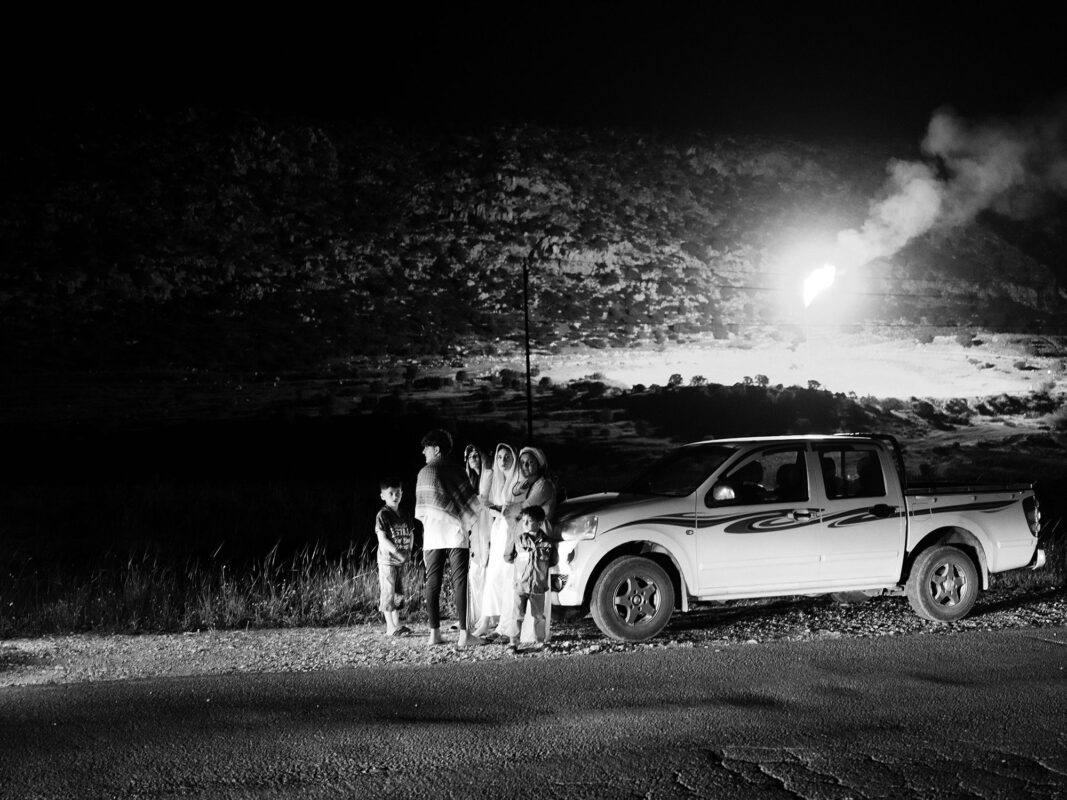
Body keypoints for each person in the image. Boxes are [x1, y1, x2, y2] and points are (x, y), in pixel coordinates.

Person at [414, 429, 484, 648]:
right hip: (456, 531)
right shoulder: (456, 471)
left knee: (432, 581)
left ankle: (434, 634)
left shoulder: (424, 473)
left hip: (433, 534)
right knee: (460, 581)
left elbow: (422, 509)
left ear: (436, 449)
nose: (423, 452)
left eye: (426, 448)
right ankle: (464, 635)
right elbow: (470, 503)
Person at [472, 443, 520, 639]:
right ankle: (486, 620)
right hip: (499, 529)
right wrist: (497, 510)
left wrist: (500, 510)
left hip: (512, 529)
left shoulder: (517, 480)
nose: (502, 460)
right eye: (499, 457)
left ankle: (504, 624)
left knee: (508, 576)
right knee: (493, 577)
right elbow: (489, 506)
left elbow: (514, 509)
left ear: (513, 457)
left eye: (506, 456)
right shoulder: (499, 480)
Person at [503, 504, 558, 651]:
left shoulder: (548, 543)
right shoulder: (518, 540)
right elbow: (507, 556)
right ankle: (513, 643)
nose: (525, 523)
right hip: (521, 585)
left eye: (529, 521)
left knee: (539, 616)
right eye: (524, 520)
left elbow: (553, 561)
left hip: (538, 586)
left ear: (539, 523)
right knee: (517, 615)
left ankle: (541, 641)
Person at [374, 476, 414, 637]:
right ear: (383, 495)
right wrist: (397, 552)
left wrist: (409, 551)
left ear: (402, 493)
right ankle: (390, 626)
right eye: (390, 493)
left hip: (401, 560)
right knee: (388, 592)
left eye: (397, 493)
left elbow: (411, 534)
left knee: (398, 593)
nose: (394, 496)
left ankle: (397, 624)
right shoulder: (383, 515)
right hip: (387, 560)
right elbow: (382, 539)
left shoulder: (404, 513)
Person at [463, 444, 494, 629]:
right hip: (474, 526)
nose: (474, 458)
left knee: (487, 569)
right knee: (475, 572)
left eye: (477, 454)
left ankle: (488, 617)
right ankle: (475, 615)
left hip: (487, 522)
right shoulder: (468, 479)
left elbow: (486, 499)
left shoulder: (489, 474)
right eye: (470, 456)